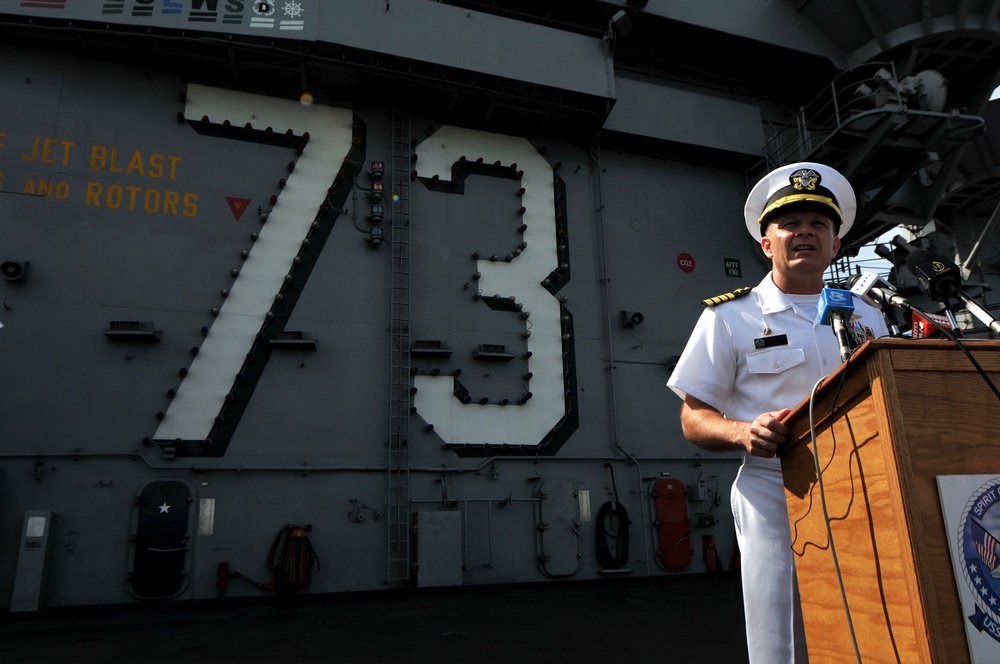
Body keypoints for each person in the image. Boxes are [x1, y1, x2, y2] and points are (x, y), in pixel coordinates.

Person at [666, 162, 888, 663]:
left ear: (835, 245)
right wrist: (743, 432)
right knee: (784, 633)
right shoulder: (729, 317)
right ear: (767, 244)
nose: (805, 231)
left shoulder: (868, 315)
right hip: (777, 486)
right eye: (790, 224)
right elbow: (693, 416)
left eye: (819, 224)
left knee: (878, 612)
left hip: (869, 481)